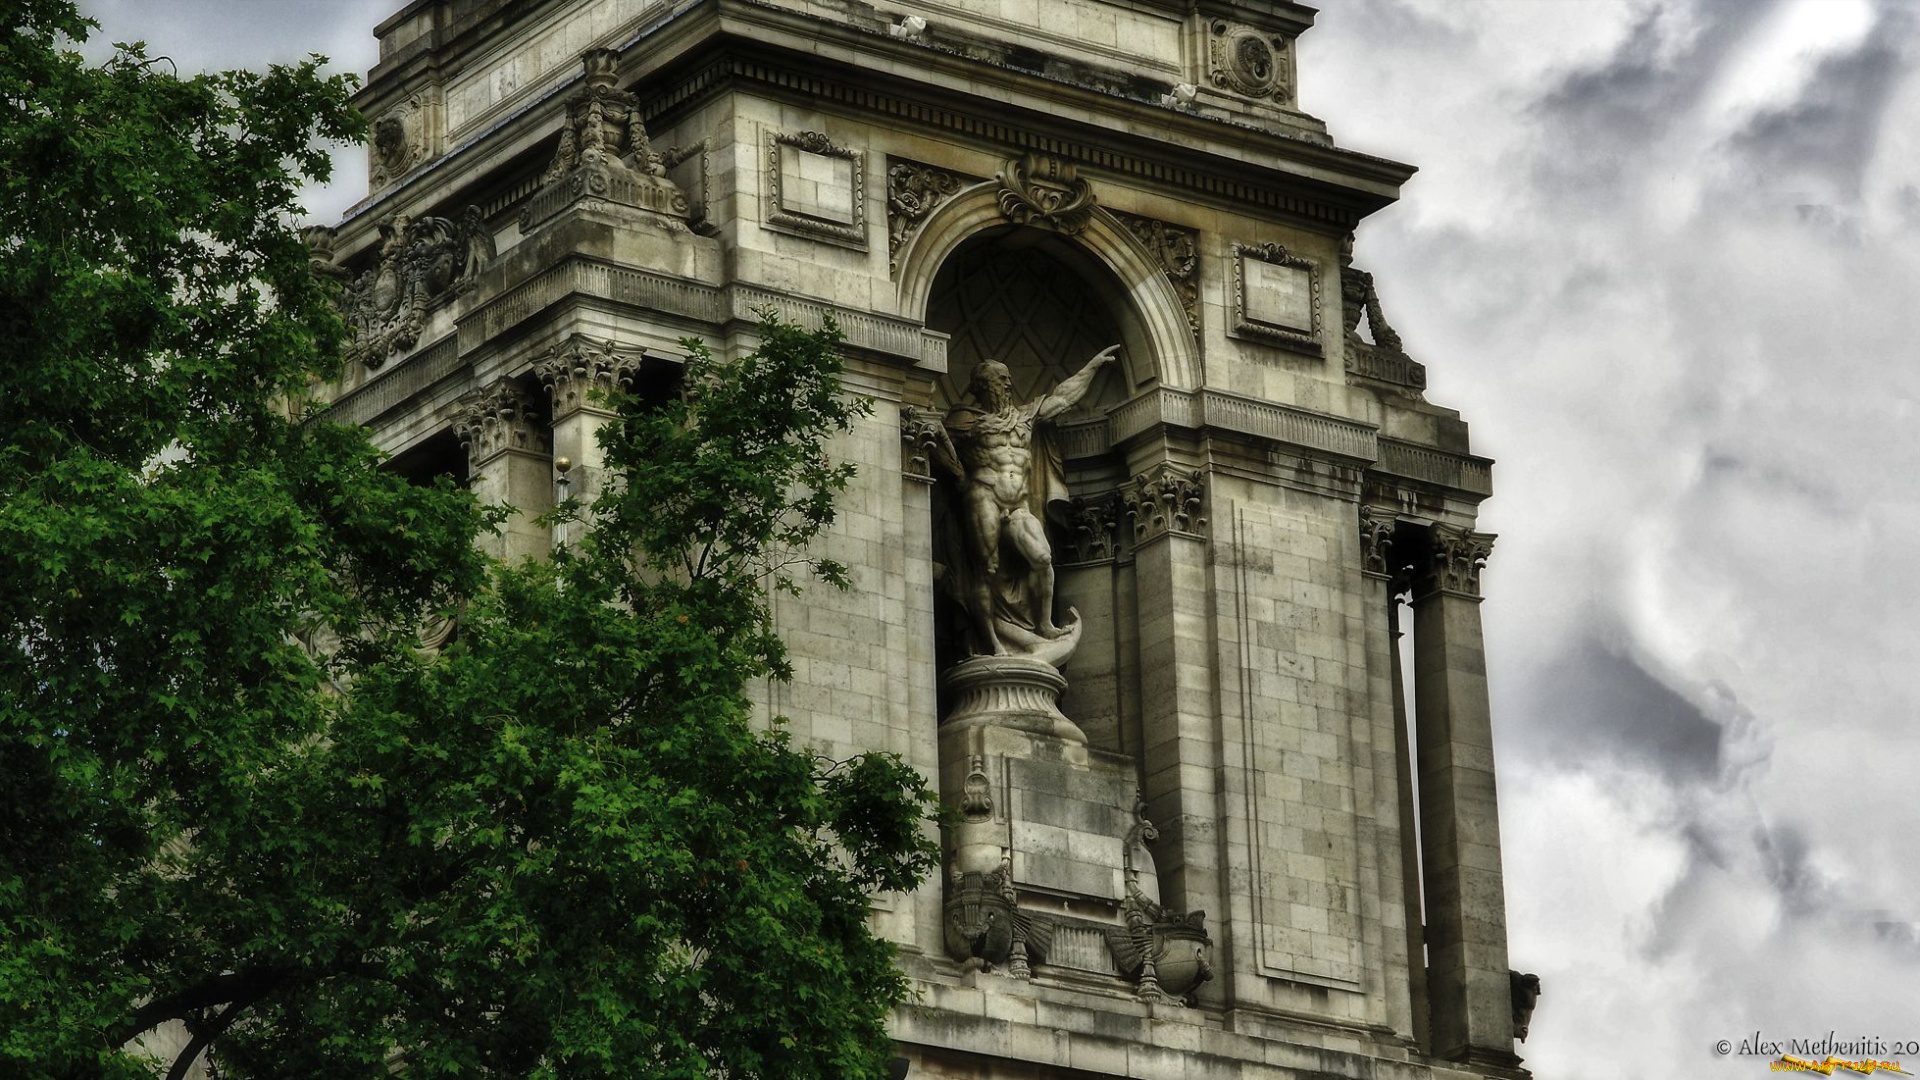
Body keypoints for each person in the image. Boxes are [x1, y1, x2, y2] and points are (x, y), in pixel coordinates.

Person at [937, 345, 1119, 656]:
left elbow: (1062, 399)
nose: (1008, 384)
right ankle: (992, 644)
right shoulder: (965, 420)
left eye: (1008, 378)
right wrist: (958, 476)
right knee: (987, 570)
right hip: (983, 496)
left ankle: (1044, 623)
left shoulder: (1024, 417)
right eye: (1001, 379)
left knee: (1042, 558)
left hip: (1018, 504)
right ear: (982, 385)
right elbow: (934, 435)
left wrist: (1091, 367)